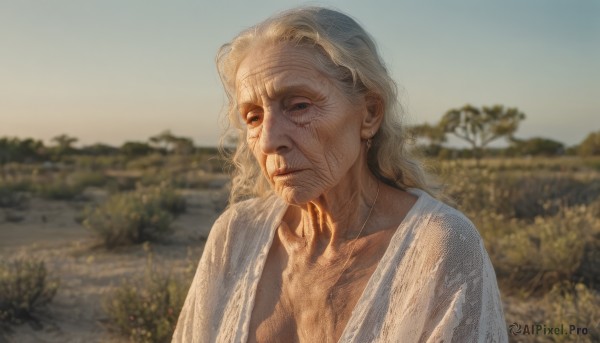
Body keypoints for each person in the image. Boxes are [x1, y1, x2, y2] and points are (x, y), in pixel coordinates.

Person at [173, 6, 507, 343]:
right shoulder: (235, 235)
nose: (270, 141)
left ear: (370, 114)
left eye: (299, 105)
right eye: (253, 117)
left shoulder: (440, 247)